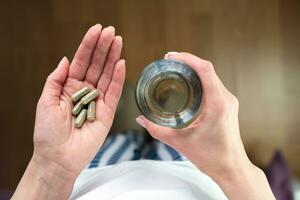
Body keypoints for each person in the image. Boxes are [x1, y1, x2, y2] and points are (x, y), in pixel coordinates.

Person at [11, 24, 275, 200]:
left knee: (121, 141)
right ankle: (151, 120)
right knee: (167, 142)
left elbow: (51, 173)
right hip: (184, 168)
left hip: (102, 170)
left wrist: (49, 169)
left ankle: (130, 125)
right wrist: (233, 166)